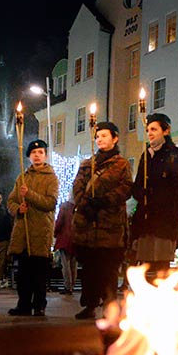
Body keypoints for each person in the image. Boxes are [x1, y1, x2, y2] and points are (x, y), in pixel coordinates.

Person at [72, 121, 132, 320]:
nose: (100, 139)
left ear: (114, 138)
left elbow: (125, 188)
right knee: (90, 269)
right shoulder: (87, 164)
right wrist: (85, 204)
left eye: (105, 136)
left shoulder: (121, 164)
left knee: (108, 269)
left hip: (110, 226)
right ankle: (89, 304)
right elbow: (77, 187)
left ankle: (109, 306)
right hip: (88, 226)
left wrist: (104, 201)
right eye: (98, 136)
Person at [131, 113, 178, 280]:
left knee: (161, 266)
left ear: (166, 131)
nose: (150, 133)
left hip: (165, 221)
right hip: (145, 220)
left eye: (154, 129)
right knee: (145, 265)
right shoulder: (146, 156)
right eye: (148, 129)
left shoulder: (176, 156)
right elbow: (138, 184)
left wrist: (159, 195)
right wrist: (140, 193)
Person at [7, 140, 59, 317]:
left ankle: (39, 305)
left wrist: (29, 195)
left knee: (39, 273)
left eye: (41, 152)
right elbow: (11, 201)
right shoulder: (22, 177)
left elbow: (50, 203)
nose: (37, 155)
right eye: (34, 152)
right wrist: (18, 209)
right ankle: (23, 304)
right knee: (23, 273)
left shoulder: (51, 177)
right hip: (24, 232)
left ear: (45, 155)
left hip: (40, 231)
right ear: (29, 156)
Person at [53, 193, 77, 295]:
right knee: (73, 264)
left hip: (65, 239)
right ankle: (72, 285)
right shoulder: (79, 207)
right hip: (76, 239)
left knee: (65, 264)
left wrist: (55, 233)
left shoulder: (65, 207)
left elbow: (59, 222)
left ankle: (68, 286)